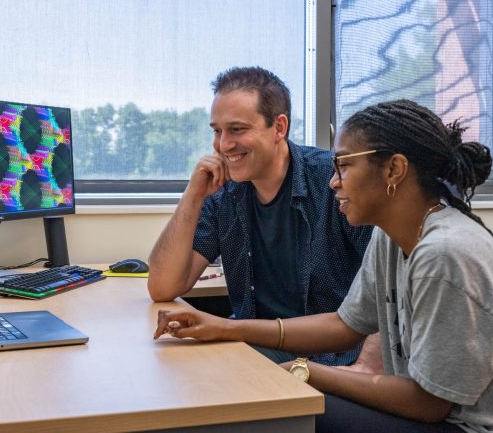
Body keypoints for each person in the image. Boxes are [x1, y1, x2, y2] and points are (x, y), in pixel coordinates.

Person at [154, 99, 493, 433]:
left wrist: (304, 370)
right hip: (447, 416)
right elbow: (345, 324)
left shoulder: (445, 253)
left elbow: (427, 403)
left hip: (489, 427)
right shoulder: (392, 236)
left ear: (394, 169)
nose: (334, 180)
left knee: (288, 412)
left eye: (344, 166)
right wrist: (227, 328)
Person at [147, 66, 377, 368]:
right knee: (170, 368)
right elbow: (162, 287)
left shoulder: (334, 182)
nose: (223, 144)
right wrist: (192, 196)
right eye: (217, 131)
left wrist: (367, 370)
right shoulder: (223, 193)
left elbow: (386, 288)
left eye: (237, 129)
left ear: (279, 128)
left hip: (328, 356)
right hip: (254, 341)